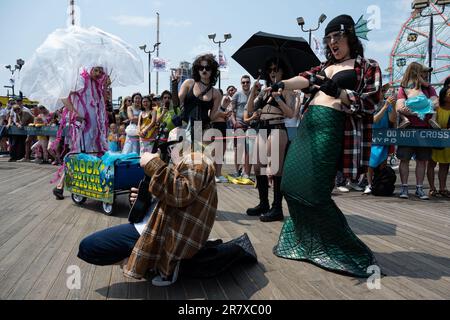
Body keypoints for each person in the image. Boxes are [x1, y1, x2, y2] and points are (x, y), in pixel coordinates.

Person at [269, 15, 381, 277]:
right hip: (308, 125)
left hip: (332, 127)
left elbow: (371, 102)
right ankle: (307, 242)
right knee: (289, 185)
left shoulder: (367, 66)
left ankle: (344, 248)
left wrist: (339, 92)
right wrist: (281, 83)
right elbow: (304, 79)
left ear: (350, 38)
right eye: (329, 38)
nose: (332, 43)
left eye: (337, 37)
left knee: (315, 192)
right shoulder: (323, 66)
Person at [77, 128, 218, 287]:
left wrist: (152, 163)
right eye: (168, 146)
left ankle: (160, 262)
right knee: (88, 247)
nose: (172, 150)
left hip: (160, 232)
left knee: (89, 247)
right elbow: (176, 196)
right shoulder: (182, 164)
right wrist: (145, 199)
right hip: (153, 225)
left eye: (176, 143)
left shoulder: (196, 159)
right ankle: (153, 262)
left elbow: (182, 193)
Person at [246, 58, 296, 223]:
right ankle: (263, 204)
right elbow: (250, 109)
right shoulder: (265, 91)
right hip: (262, 128)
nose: (273, 72)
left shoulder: (287, 89)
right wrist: (254, 90)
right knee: (257, 166)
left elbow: (290, 114)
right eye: (270, 69)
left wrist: (279, 98)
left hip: (277, 128)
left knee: (275, 169)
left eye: (276, 69)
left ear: (283, 71)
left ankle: (277, 208)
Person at [52, 66, 110, 200]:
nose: (99, 73)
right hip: (83, 126)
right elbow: (63, 96)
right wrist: (75, 113)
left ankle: (86, 185)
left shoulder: (97, 85)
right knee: (79, 154)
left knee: (94, 154)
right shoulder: (80, 80)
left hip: (96, 129)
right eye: (96, 70)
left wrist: (105, 87)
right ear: (90, 69)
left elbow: (102, 103)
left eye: (101, 71)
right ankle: (60, 186)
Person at [396, 63, 439, 200]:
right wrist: (421, 108)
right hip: (408, 128)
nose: (426, 75)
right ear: (416, 73)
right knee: (404, 159)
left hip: (424, 128)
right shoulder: (403, 88)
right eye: (424, 72)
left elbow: (436, 104)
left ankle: (419, 189)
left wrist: (418, 109)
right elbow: (400, 106)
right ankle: (404, 187)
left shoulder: (429, 89)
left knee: (422, 160)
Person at [178, 54, 223, 147]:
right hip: (185, 127)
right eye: (201, 67)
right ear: (197, 69)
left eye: (207, 68)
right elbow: (176, 103)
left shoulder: (216, 93)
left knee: (201, 160)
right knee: (184, 159)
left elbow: (212, 117)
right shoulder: (189, 83)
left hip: (203, 131)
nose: (204, 70)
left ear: (213, 70)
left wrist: (222, 109)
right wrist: (175, 86)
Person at [364, 84, 397, 195]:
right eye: (380, 90)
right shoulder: (370, 104)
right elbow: (374, 120)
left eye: (383, 90)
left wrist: (392, 106)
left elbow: (392, 120)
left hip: (383, 136)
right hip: (372, 135)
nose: (382, 92)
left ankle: (379, 183)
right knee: (370, 162)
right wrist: (384, 107)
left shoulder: (387, 104)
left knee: (383, 162)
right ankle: (368, 184)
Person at [427, 84, 450, 197]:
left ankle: (442, 188)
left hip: (447, 141)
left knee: (444, 165)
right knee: (431, 163)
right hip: (435, 139)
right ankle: (432, 188)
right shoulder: (437, 107)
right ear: (443, 95)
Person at [229, 75, 253, 180]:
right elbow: (231, 111)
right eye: (243, 82)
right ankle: (236, 171)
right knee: (238, 149)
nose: (245, 84)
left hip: (251, 124)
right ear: (241, 83)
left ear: (250, 83)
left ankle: (245, 171)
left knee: (249, 149)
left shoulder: (254, 94)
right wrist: (234, 123)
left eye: (247, 82)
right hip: (239, 123)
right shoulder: (237, 95)